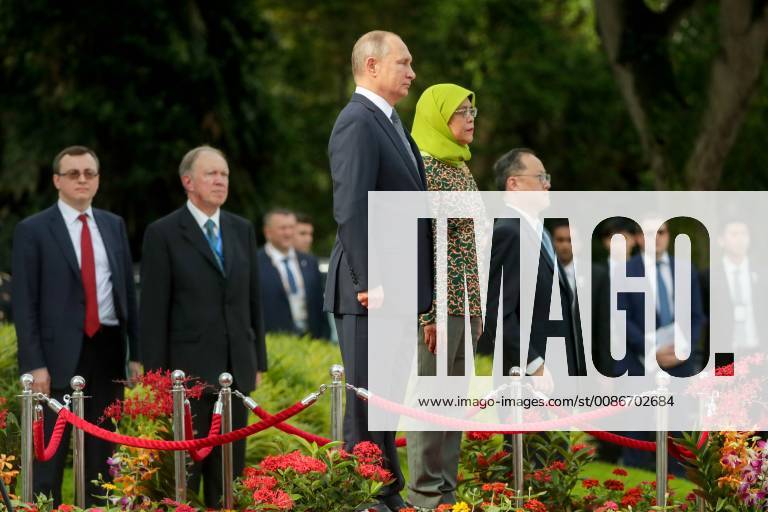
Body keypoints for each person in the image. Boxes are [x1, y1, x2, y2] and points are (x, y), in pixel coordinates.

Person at [325, 30, 432, 512]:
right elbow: (350, 208)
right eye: (403, 63)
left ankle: (387, 492)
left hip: (396, 290)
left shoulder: (390, 123)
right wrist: (369, 282)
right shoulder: (357, 121)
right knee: (366, 405)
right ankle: (362, 498)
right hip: (369, 291)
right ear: (371, 66)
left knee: (386, 402)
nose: (412, 73)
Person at [139, 145, 267, 507]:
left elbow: (252, 300)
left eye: (224, 174)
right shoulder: (162, 233)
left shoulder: (241, 229)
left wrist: (257, 359)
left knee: (230, 474)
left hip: (236, 370)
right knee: (185, 471)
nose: (219, 180)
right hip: (187, 374)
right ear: (188, 181)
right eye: (211, 173)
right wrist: (157, 376)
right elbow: (153, 311)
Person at [12, 145, 140, 506]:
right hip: (55, 357)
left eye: (89, 173)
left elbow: (128, 295)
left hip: (108, 350)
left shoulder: (113, 225)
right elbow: (25, 304)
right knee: (48, 456)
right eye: (73, 173)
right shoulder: (33, 230)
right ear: (57, 180)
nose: (82, 179)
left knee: (103, 452)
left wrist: (135, 353)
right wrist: (34, 363)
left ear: (98, 180)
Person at [405, 83, 481, 510]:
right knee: (432, 403)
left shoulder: (460, 167)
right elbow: (425, 244)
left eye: (473, 111)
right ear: (438, 117)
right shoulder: (425, 168)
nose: (471, 119)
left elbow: (470, 246)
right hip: (439, 309)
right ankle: (424, 495)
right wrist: (427, 314)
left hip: (466, 306)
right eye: (461, 112)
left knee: (453, 403)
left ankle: (447, 494)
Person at [481, 148, 586, 382]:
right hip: (529, 376)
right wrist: (533, 363)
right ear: (514, 184)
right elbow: (499, 311)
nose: (547, 185)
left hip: (557, 368)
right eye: (540, 177)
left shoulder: (541, 232)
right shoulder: (509, 231)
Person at [618, 220, 704, 471]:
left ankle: (677, 498)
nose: (656, 237)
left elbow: (696, 316)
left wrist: (683, 349)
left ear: (668, 236)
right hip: (639, 364)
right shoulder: (625, 271)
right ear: (638, 238)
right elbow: (620, 318)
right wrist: (652, 352)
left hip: (679, 364)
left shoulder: (685, 269)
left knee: (678, 438)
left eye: (661, 232)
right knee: (636, 435)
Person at [257, 208, 329, 339]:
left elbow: (320, 305)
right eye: (283, 228)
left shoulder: (310, 261)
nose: (288, 233)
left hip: (312, 344)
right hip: (275, 342)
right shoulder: (255, 263)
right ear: (268, 232)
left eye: (291, 227)